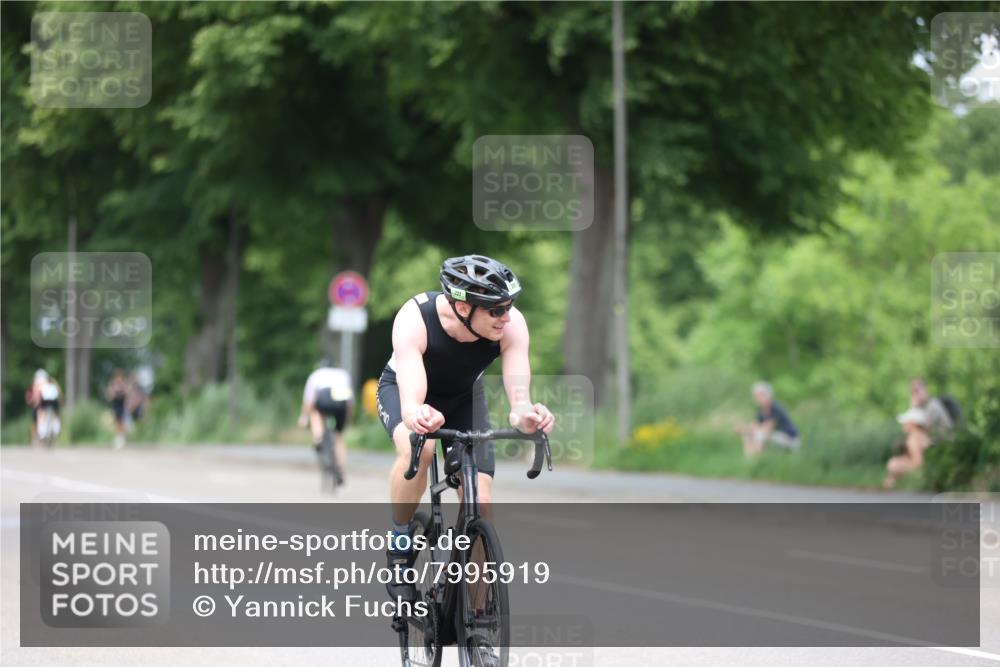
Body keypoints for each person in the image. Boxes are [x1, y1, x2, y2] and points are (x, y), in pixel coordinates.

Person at [378, 254, 555, 602]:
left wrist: (526, 414)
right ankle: (399, 544)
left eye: (508, 306)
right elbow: (413, 398)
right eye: (495, 310)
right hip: (405, 390)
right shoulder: (416, 317)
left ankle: (478, 629)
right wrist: (417, 413)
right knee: (422, 448)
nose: (506, 317)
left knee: (482, 502)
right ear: (462, 307)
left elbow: (519, 399)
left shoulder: (512, 325)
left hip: (463, 399)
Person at [298, 359, 355, 484]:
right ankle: (341, 470)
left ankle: (318, 438)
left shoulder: (315, 375)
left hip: (324, 398)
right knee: (339, 437)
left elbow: (309, 400)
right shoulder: (343, 374)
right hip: (341, 402)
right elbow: (350, 402)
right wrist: (348, 420)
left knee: (315, 413)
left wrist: (304, 417)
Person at [737, 381, 800, 456]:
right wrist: (745, 429)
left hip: (789, 438)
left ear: (767, 395)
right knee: (748, 436)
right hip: (775, 436)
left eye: (760, 396)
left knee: (760, 435)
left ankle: (758, 460)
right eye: (756, 396)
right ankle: (750, 461)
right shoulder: (760, 410)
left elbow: (767, 428)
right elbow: (756, 425)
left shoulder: (775, 408)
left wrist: (748, 429)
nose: (758, 399)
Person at [883, 407, 931, 489]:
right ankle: (891, 482)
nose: (903, 424)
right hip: (924, 468)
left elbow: (919, 461)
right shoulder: (921, 434)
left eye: (905, 422)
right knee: (898, 461)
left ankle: (891, 483)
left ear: (913, 423)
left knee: (893, 463)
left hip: (921, 471)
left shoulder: (914, 438)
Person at [909, 378, 954, 443]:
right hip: (934, 443)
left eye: (916, 391)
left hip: (944, 445)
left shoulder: (933, 405)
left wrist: (914, 408)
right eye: (912, 392)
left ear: (924, 390)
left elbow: (921, 429)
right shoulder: (922, 408)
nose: (915, 395)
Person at [26, 369, 61, 446]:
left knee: (39, 420)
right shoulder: (50, 384)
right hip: (45, 404)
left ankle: (40, 437)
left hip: (44, 404)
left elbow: (35, 397)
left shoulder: (42, 385)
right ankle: (39, 437)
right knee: (38, 420)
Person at [105, 368, 129, 449]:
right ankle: (118, 437)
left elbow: (126, 393)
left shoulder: (124, 384)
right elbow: (109, 395)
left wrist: (120, 391)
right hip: (115, 404)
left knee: (121, 421)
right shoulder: (113, 384)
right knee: (116, 421)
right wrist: (114, 392)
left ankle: (121, 438)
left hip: (121, 405)